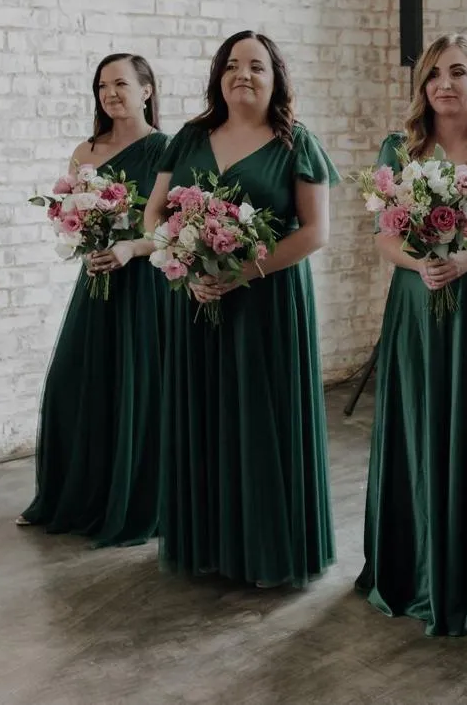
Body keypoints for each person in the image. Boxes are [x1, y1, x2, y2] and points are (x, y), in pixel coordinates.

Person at [355, 33, 467, 635]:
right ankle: (416, 568)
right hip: (417, 300)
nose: (444, 84)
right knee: (420, 423)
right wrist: (422, 264)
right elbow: (385, 236)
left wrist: (466, 261)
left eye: (458, 72)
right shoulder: (398, 148)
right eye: (433, 75)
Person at [144, 31, 338, 587]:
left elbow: (316, 231)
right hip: (195, 298)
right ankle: (210, 545)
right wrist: (186, 259)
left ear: (276, 77)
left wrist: (240, 272)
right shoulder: (188, 137)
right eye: (231, 65)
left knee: (261, 418)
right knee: (203, 413)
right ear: (217, 76)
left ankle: (267, 549)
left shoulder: (296, 142)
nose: (242, 75)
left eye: (256, 65)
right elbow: (152, 215)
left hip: (268, 303)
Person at [17, 53, 168, 548]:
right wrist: (85, 242)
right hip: (98, 281)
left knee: (136, 392)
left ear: (147, 90)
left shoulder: (165, 149)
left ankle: (136, 500)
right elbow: (71, 215)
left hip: (145, 285)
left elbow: (171, 229)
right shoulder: (86, 150)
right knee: (75, 384)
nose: (110, 93)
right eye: (102, 85)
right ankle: (72, 495)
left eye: (121, 83)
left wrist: (132, 248)